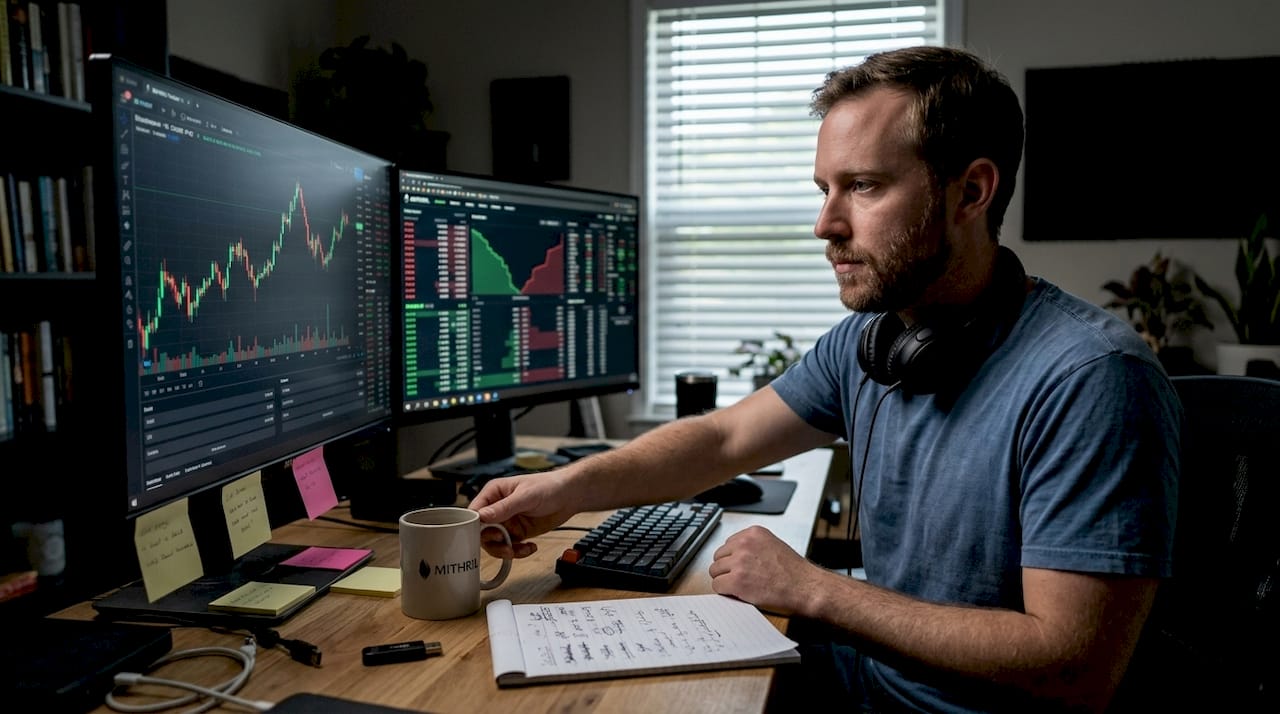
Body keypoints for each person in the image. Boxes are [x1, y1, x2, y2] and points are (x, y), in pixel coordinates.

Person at [470, 45, 1179, 713]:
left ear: (971, 192)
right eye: (824, 189)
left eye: (863, 187)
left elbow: (1075, 667)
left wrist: (815, 590)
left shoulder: (1091, 378)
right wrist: (567, 488)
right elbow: (722, 440)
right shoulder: (874, 342)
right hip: (866, 674)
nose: (824, 224)